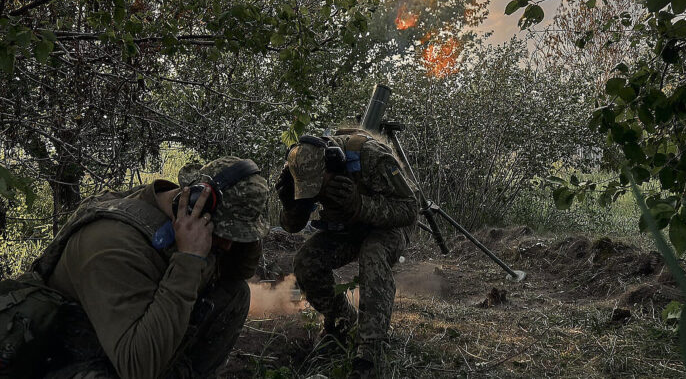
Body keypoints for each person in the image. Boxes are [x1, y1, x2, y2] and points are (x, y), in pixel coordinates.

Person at [41, 156, 269, 378]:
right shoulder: (113, 245)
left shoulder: (173, 208)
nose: (228, 244)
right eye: (224, 232)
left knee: (234, 294)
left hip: (130, 337)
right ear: (192, 202)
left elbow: (239, 273)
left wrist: (244, 234)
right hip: (75, 358)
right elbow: (137, 368)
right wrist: (188, 259)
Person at [276, 129, 418, 378]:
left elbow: (408, 210)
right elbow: (292, 226)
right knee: (307, 262)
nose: (316, 193)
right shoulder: (303, 169)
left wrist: (360, 205)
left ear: (333, 163)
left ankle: (369, 350)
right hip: (349, 227)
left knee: (373, 254)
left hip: (387, 227)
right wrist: (290, 204)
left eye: (321, 185)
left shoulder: (372, 157)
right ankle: (342, 322)